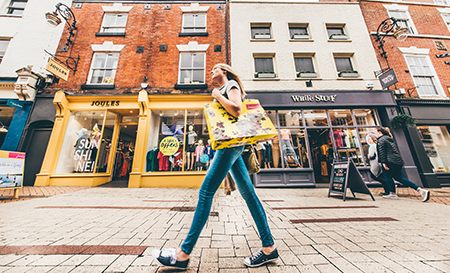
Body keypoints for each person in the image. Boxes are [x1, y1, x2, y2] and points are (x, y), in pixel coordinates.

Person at [152, 63, 278, 268]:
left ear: (224, 71)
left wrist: (217, 96)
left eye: (215, 69)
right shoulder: (223, 89)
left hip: (232, 144)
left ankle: (183, 254)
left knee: (205, 192)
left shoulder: (231, 85)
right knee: (249, 195)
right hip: (231, 144)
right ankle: (269, 248)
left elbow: (237, 110)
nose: (211, 72)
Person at [376, 127, 430, 202]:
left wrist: (384, 163)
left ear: (379, 132)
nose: (376, 134)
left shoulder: (381, 140)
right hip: (398, 161)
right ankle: (420, 190)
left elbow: (382, 152)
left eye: (376, 133)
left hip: (389, 161)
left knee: (388, 176)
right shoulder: (390, 139)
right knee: (399, 178)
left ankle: (393, 194)